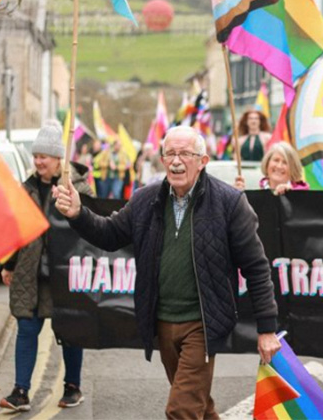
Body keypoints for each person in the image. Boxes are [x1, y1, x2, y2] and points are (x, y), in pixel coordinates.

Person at [53, 126, 281, 419]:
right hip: (162, 323)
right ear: (161, 160)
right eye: (170, 153)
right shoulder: (145, 200)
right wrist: (78, 214)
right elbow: (109, 235)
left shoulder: (230, 203)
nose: (176, 161)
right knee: (198, 402)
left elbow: (256, 267)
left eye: (185, 153)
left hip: (204, 323)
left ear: (203, 161)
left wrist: (267, 328)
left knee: (181, 409)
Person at [0, 121, 93, 412]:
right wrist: (9, 264)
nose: (38, 161)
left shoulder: (77, 187)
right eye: (36, 155)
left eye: (44, 156)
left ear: (57, 159)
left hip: (65, 273)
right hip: (31, 273)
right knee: (26, 328)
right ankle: (21, 391)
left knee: (69, 330)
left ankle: (73, 387)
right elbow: (17, 230)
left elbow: (92, 226)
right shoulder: (26, 189)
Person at [234, 141, 309, 194]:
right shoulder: (256, 193)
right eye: (276, 160)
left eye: (285, 162)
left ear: (293, 168)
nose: (279, 166)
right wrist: (236, 196)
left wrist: (292, 194)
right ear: (267, 163)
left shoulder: (303, 194)